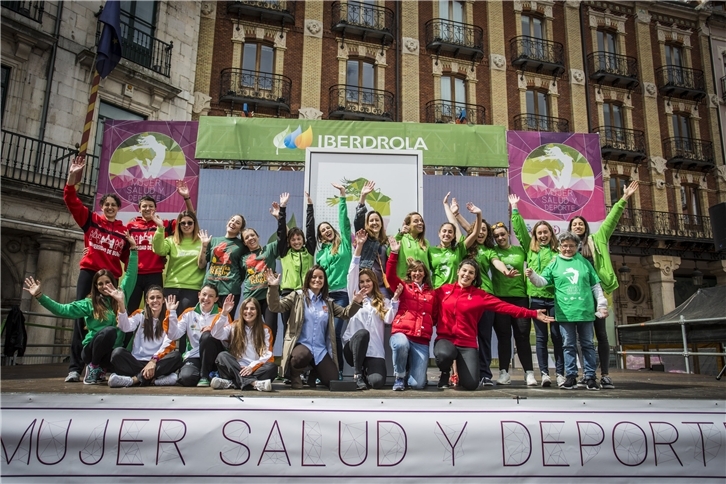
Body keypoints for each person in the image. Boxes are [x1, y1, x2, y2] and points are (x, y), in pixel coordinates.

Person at [23, 234, 138, 385]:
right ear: (95, 287)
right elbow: (62, 310)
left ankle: (103, 369)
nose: (104, 286)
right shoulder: (89, 303)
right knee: (109, 331)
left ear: (114, 283)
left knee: (121, 354)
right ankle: (93, 367)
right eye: (100, 284)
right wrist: (39, 295)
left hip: (111, 353)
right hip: (91, 352)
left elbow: (131, 275)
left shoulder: (121, 295)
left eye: (107, 282)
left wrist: (134, 249)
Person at [434, 259, 553, 391]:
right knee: (443, 354)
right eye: (464, 270)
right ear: (458, 272)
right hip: (446, 339)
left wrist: (532, 314)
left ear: (475, 277)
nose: (466, 274)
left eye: (471, 273)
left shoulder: (480, 296)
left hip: (466, 343)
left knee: (471, 384)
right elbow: (426, 302)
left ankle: (462, 373)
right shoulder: (443, 291)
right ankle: (445, 373)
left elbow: (506, 307)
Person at [62, 155, 130, 383]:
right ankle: (75, 367)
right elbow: (71, 201)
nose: (110, 208)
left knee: (110, 323)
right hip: (90, 275)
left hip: (110, 281)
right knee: (80, 318)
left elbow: (128, 259)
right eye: (106, 205)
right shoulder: (91, 220)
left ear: (119, 209)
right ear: (102, 207)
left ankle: (98, 366)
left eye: (114, 205)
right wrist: (72, 177)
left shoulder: (123, 231)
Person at [568, 180, 639, 389]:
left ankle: (606, 374)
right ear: (570, 229)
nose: (578, 226)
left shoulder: (597, 239)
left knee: (601, 334)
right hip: (579, 296)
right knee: (583, 338)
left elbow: (611, 220)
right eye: (574, 225)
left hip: (598, 292)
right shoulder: (567, 248)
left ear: (585, 226)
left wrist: (624, 198)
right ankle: (586, 374)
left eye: (580, 224)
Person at [526, 232, 608, 390]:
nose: (568, 249)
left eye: (571, 246)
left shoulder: (584, 262)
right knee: (568, 345)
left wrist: (602, 304)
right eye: (565, 246)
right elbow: (542, 282)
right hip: (565, 312)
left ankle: (590, 376)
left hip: (585, 311)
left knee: (587, 345)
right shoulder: (555, 262)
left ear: (577, 247)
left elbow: (595, 286)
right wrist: (532, 275)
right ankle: (571, 376)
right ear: (559, 247)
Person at [266, 266, 365, 389]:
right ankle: (295, 375)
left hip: (320, 349)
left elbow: (345, 314)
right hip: (302, 346)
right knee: (301, 356)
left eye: (320, 277)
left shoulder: (327, 302)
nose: (317, 280)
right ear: (308, 279)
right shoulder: (297, 296)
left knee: (332, 379)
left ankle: (313, 374)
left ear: (324, 281)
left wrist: (356, 302)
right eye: (314, 277)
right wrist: (274, 287)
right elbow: (275, 307)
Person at [453, 205, 514, 387]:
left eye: (485, 231)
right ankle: (464, 374)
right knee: (465, 336)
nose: (481, 232)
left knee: (484, 337)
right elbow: (468, 228)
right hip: (467, 298)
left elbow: (497, 263)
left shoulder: (489, 251)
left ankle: (485, 374)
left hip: (485, 297)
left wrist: (505, 271)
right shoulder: (466, 246)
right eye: (479, 230)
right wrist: (457, 214)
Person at [509, 194, 563, 388]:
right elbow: (520, 229)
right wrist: (515, 208)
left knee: (557, 337)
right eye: (539, 232)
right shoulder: (530, 248)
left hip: (555, 299)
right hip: (536, 299)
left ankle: (562, 374)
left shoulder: (558, 251)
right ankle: (545, 374)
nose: (542, 235)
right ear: (535, 235)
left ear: (551, 234)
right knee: (541, 338)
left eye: (545, 232)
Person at [344, 230, 402, 390]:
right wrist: (360, 246)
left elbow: (389, 319)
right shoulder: (354, 295)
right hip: (352, 348)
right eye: (361, 281)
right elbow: (353, 270)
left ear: (373, 282)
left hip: (374, 351)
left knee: (377, 383)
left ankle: (366, 371)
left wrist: (395, 300)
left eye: (368, 281)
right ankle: (357, 374)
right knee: (363, 333)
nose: (364, 284)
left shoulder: (382, 301)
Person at [126, 185, 194, 313]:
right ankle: (129, 333)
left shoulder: (164, 224)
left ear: (155, 209)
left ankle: (152, 333)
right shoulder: (130, 226)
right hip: (135, 274)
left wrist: (186, 197)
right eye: (144, 206)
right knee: (130, 309)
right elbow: (121, 247)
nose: (147, 208)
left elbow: (189, 217)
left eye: (151, 206)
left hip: (154, 274)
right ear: (139, 209)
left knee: (154, 310)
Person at [385, 237, 437, 391]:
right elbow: (389, 276)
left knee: (417, 385)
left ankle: (413, 374)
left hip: (421, 339)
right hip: (402, 333)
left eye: (420, 270)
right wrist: (394, 253)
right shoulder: (403, 287)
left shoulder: (432, 293)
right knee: (401, 344)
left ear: (425, 273)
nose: (417, 273)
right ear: (409, 273)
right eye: (414, 270)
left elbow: (434, 315)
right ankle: (399, 376)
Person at [490, 221, 537, 386]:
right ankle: (503, 372)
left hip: (520, 298)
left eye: (502, 234)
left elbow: (526, 236)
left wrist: (515, 210)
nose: (500, 238)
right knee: (503, 337)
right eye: (496, 236)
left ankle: (529, 373)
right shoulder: (492, 251)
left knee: (522, 336)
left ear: (508, 234)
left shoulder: (520, 250)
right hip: (500, 299)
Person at [107, 285, 182, 387]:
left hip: (157, 362)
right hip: (136, 362)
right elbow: (125, 327)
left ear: (163, 300)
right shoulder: (140, 314)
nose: (155, 300)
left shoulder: (168, 319)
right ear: (146, 301)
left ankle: (133, 380)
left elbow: (168, 343)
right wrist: (120, 303)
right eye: (152, 298)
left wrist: (153, 361)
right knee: (117, 353)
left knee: (177, 357)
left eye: (158, 297)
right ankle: (153, 380)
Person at [315, 183, 353, 376]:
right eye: (322, 230)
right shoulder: (320, 255)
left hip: (341, 295)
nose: (326, 231)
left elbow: (344, 221)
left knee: (335, 333)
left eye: (328, 228)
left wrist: (343, 197)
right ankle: (322, 371)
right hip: (323, 297)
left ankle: (337, 371)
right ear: (320, 237)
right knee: (322, 334)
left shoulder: (345, 243)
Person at [209, 296, 276, 392]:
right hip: (235, 366)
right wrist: (224, 313)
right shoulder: (234, 326)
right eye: (245, 308)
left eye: (252, 309)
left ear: (258, 311)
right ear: (241, 311)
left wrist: (251, 367)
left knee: (272, 367)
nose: (248, 311)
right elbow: (216, 334)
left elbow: (267, 355)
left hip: (255, 368)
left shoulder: (265, 330)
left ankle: (232, 383)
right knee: (222, 356)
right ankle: (254, 383)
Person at [276, 192, 316, 340]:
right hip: (287, 294)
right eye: (293, 239)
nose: (296, 242)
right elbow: (281, 230)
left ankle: (304, 359)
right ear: (289, 242)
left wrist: (310, 207)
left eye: (299, 239)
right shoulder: (285, 252)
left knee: (306, 327)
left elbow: (310, 229)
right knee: (288, 328)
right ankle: (288, 361)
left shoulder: (309, 251)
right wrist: (283, 207)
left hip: (306, 294)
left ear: (303, 240)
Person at [165, 284, 221, 387]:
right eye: (204, 294)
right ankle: (209, 375)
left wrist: (214, 331)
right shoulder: (188, 313)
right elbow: (173, 335)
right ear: (199, 295)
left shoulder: (222, 314)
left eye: (211, 296)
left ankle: (205, 376)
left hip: (214, 357)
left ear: (216, 299)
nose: (206, 298)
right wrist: (172, 313)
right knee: (187, 378)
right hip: (194, 355)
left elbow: (228, 339)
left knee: (207, 336)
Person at [152, 211, 205, 315]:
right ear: (178, 225)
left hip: (193, 288)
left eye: (190, 223)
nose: (186, 225)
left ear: (195, 224)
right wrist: (160, 228)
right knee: (169, 320)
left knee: (186, 322)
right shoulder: (171, 240)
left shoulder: (202, 241)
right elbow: (159, 250)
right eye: (183, 223)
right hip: (172, 286)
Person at [198, 214, 246, 320]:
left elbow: (244, 269)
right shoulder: (213, 241)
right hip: (210, 288)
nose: (233, 223)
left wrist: (235, 282)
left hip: (229, 290)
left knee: (226, 322)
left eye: (237, 223)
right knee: (206, 320)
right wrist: (204, 245)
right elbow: (201, 264)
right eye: (232, 220)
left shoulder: (242, 246)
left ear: (240, 229)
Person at [240, 217, 280, 347]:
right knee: (248, 329)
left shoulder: (269, 249)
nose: (250, 238)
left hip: (269, 297)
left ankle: (268, 355)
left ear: (258, 237)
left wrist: (280, 218)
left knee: (270, 328)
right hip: (251, 298)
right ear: (244, 243)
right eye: (246, 238)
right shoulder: (243, 257)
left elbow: (284, 237)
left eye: (252, 235)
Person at [429, 193, 481, 289]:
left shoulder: (458, 249)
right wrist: (445, 204)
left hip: (454, 291)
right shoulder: (430, 251)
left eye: (450, 232)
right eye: (444, 231)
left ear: (454, 236)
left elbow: (474, 234)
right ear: (439, 234)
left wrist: (478, 214)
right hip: (437, 292)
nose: (447, 234)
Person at [354, 180, 390, 297]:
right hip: (367, 287)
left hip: (383, 286)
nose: (374, 223)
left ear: (381, 223)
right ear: (367, 224)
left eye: (377, 220)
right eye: (371, 220)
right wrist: (363, 197)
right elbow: (358, 219)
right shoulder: (365, 238)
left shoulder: (387, 242)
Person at [393, 212, 430, 279]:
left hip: (422, 284)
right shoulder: (401, 238)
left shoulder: (426, 242)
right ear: (407, 225)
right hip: (405, 282)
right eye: (416, 221)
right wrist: (400, 234)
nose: (420, 223)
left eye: (421, 221)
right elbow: (389, 252)